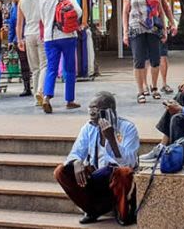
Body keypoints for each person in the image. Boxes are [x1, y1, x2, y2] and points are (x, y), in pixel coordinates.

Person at [54, 91, 139, 225]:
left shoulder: (127, 128)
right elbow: (75, 152)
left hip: (117, 180)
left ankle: (124, 212)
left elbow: (131, 162)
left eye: (96, 109)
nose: (92, 113)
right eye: (90, 109)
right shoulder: (88, 128)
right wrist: (76, 161)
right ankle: (91, 209)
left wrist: (112, 140)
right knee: (61, 171)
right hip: (96, 177)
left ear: (109, 111)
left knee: (124, 172)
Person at [123, 0, 174, 104]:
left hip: (153, 28)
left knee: (155, 59)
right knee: (138, 60)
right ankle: (140, 91)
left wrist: (166, 27)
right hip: (136, 28)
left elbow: (163, 9)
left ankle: (155, 87)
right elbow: (125, 11)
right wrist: (125, 31)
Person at [39, 0, 83, 113]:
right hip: (68, 35)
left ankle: (46, 96)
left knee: (51, 68)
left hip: (50, 37)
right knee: (69, 68)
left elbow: (42, 17)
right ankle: (69, 100)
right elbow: (79, 11)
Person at [17, 0, 48, 106]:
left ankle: (37, 98)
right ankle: (40, 91)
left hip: (28, 34)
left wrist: (19, 39)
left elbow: (19, 23)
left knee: (34, 68)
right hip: (42, 33)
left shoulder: (22, 1)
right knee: (44, 65)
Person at [7, 0, 32, 97]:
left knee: (32, 63)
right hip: (19, 39)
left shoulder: (24, 3)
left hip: (28, 36)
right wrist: (10, 40)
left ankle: (35, 86)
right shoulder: (14, 7)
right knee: (24, 63)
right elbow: (12, 24)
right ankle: (27, 86)